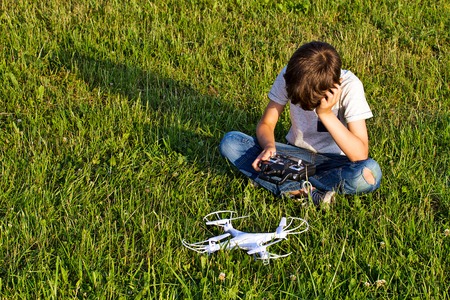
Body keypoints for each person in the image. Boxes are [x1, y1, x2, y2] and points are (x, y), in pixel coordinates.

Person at [219, 41, 382, 205]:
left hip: (335, 162)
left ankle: (287, 183)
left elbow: (360, 155)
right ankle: (307, 189)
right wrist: (269, 147)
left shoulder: (350, 86)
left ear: (335, 84)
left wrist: (325, 114)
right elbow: (266, 123)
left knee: (369, 173)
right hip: (294, 156)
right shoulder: (291, 76)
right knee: (231, 142)